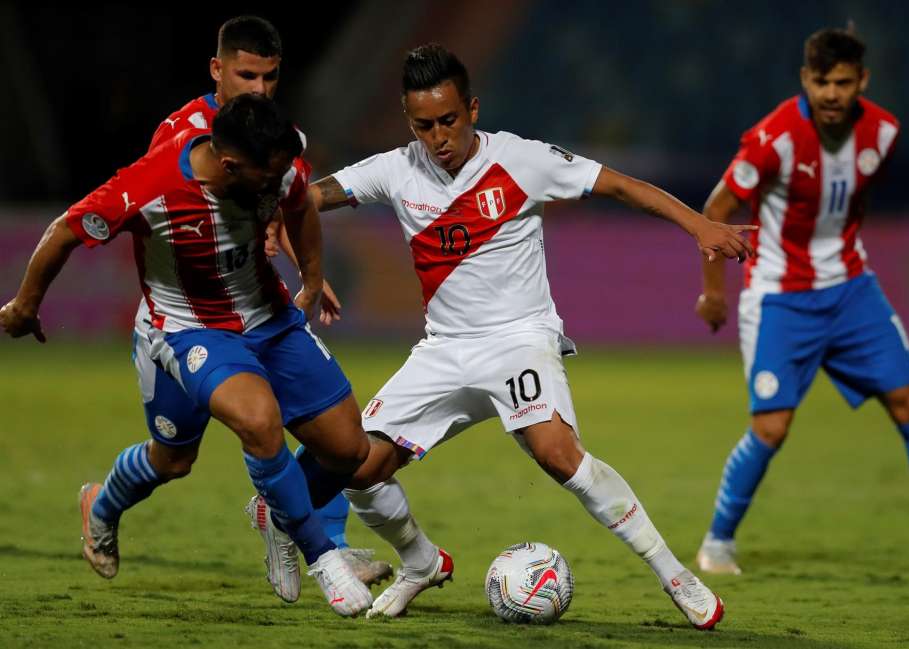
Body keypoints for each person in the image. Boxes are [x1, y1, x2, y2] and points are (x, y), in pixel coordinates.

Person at [282, 43, 754, 629]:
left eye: (449, 120)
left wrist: (699, 226)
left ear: (472, 108)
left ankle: (673, 574)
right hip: (444, 348)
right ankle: (420, 562)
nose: (438, 137)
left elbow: (620, 186)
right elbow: (306, 198)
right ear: (410, 123)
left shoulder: (521, 160)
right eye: (424, 126)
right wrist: (291, 232)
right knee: (356, 466)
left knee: (558, 455)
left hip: (518, 339)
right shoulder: (395, 169)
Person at [0, 94, 376, 617]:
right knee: (228, 434)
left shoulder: (276, 167)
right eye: (266, 177)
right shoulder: (152, 185)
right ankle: (323, 557)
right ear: (228, 165)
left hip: (269, 318)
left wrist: (311, 280)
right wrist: (25, 306)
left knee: (349, 449)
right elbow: (65, 229)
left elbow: (300, 210)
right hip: (188, 329)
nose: (278, 183)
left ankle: (276, 510)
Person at [77, 15, 391, 599]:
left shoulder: (274, 134)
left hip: (256, 315)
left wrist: (303, 266)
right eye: (247, 74)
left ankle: (313, 535)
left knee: (323, 436)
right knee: (173, 459)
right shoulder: (179, 137)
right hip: (183, 323)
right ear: (217, 69)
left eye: (270, 77)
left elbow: (286, 202)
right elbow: (160, 224)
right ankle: (103, 504)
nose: (259, 89)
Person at [692, 27, 909, 575]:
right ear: (805, 80)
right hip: (780, 297)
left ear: (861, 81)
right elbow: (715, 210)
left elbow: (851, 199)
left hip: (850, 289)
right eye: (822, 82)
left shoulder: (884, 132)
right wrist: (713, 292)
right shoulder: (773, 140)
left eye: (843, 82)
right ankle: (717, 542)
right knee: (771, 428)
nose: (832, 94)